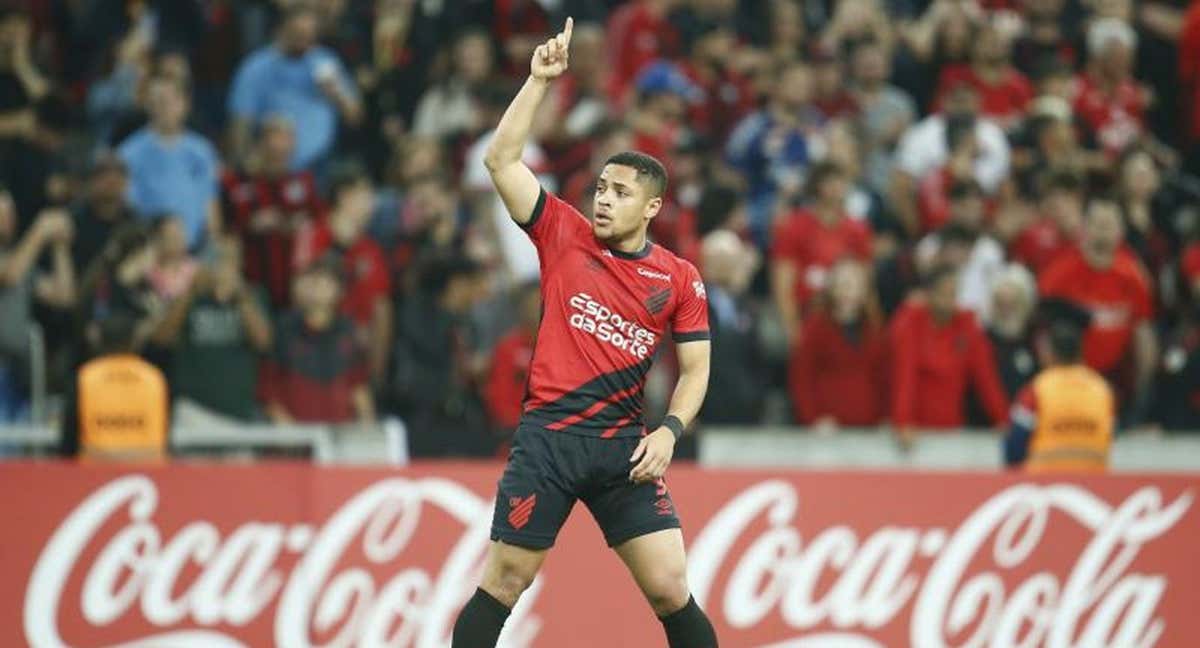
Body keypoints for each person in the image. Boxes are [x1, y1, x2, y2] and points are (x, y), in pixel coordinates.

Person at [452, 19, 718, 648]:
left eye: (620, 193)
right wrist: (539, 81)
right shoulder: (562, 234)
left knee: (670, 587)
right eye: (601, 187)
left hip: (622, 450)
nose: (603, 199)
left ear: (651, 207)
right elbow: (500, 159)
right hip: (548, 441)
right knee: (505, 582)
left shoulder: (678, 278)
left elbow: (697, 371)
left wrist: (670, 432)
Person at [1039, 195, 1157, 426]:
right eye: (1097, 224)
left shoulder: (1134, 276)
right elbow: (1043, 334)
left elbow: (1144, 334)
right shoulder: (1059, 274)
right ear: (1084, 228)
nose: (1103, 231)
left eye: (1109, 224)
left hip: (1116, 382)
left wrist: (1143, 389)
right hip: (1068, 380)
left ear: (1121, 231)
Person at [227, 4, 362, 171]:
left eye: (310, 36)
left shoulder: (325, 62)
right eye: (299, 34)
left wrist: (336, 94)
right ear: (283, 29)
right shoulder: (257, 67)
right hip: (272, 169)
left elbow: (355, 116)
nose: (304, 41)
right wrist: (244, 162)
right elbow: (240, 123)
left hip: (322, 165)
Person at [153, 241, 272, 422]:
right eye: (215, 261)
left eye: (228, 261)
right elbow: (161, 339)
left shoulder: (252, 295)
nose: (221, 269)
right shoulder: (187, 298)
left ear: (239, 265)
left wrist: (240, 297)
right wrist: (191, 293)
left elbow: (263, 342)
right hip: (193, 410)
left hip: (238, 410)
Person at [1006, 298, 1114, 472]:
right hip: (1094, 484)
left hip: (1045, 484)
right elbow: (1110, 433)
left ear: (1050, 353)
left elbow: (1016, 442)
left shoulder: (1038, 389)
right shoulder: (1101, 389)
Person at [263, 256, 373, 425]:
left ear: (340, 291)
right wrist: (287, 432)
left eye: (326, 281)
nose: (317, 286)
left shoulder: (348, 332)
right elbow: (268, 390)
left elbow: (358, 386)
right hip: (296, 439)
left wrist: (368, 428)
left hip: (339, 438)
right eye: (314, 279)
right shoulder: (285, 329)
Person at [117, 74, 221, 251]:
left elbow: (210, 205)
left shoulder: (202, 150)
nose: (162, 108)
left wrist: (213, 246)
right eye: (155, 102)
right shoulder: (129, 153)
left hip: (194, 249)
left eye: (168, 101)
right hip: (150, 250)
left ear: (184, 104)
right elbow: (127, 209)